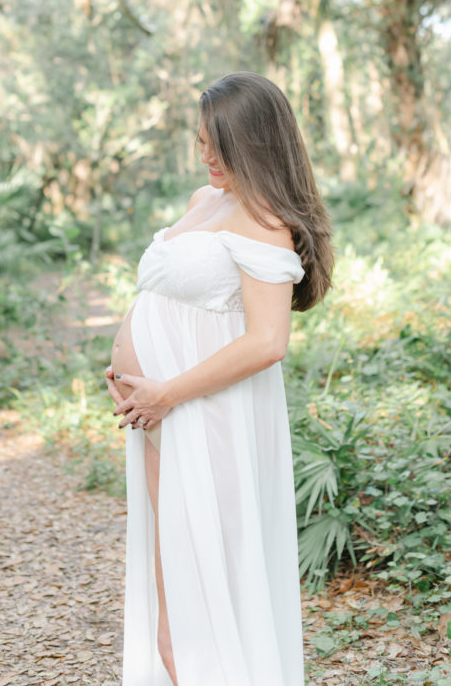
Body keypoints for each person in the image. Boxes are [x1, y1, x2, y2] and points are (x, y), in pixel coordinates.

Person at [106, 71, 334, 686]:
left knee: (203, 586)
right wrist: (122, 365)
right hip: (157, 414)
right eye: (200, 140)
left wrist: (166, 391)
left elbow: (268, 341)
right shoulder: (201, 201)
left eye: (219, 144)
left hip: (206, 414)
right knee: (168, 585)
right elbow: (158, 292)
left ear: (254, 144)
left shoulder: (264, 219)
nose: (205, 155)